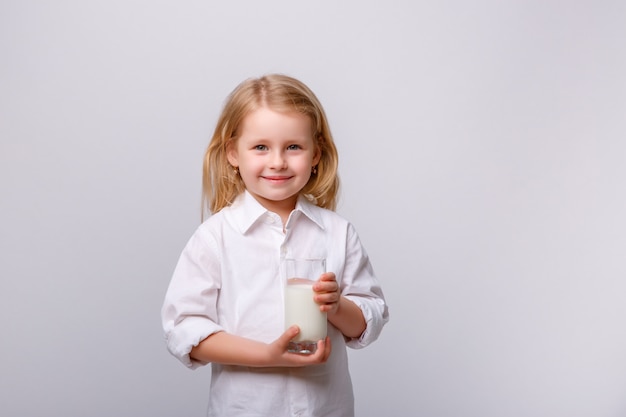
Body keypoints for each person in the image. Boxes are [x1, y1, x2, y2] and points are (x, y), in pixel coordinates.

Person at [161, 74, 389, 417]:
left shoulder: (338, 233)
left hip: (324, 409)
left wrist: (337, 306)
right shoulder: (215, 238)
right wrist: (267, 355)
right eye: (261, 147)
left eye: (293, 146)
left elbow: (367, 322)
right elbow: (184, 330)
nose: (278, 161)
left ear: (316, 154)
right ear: (233, 153)